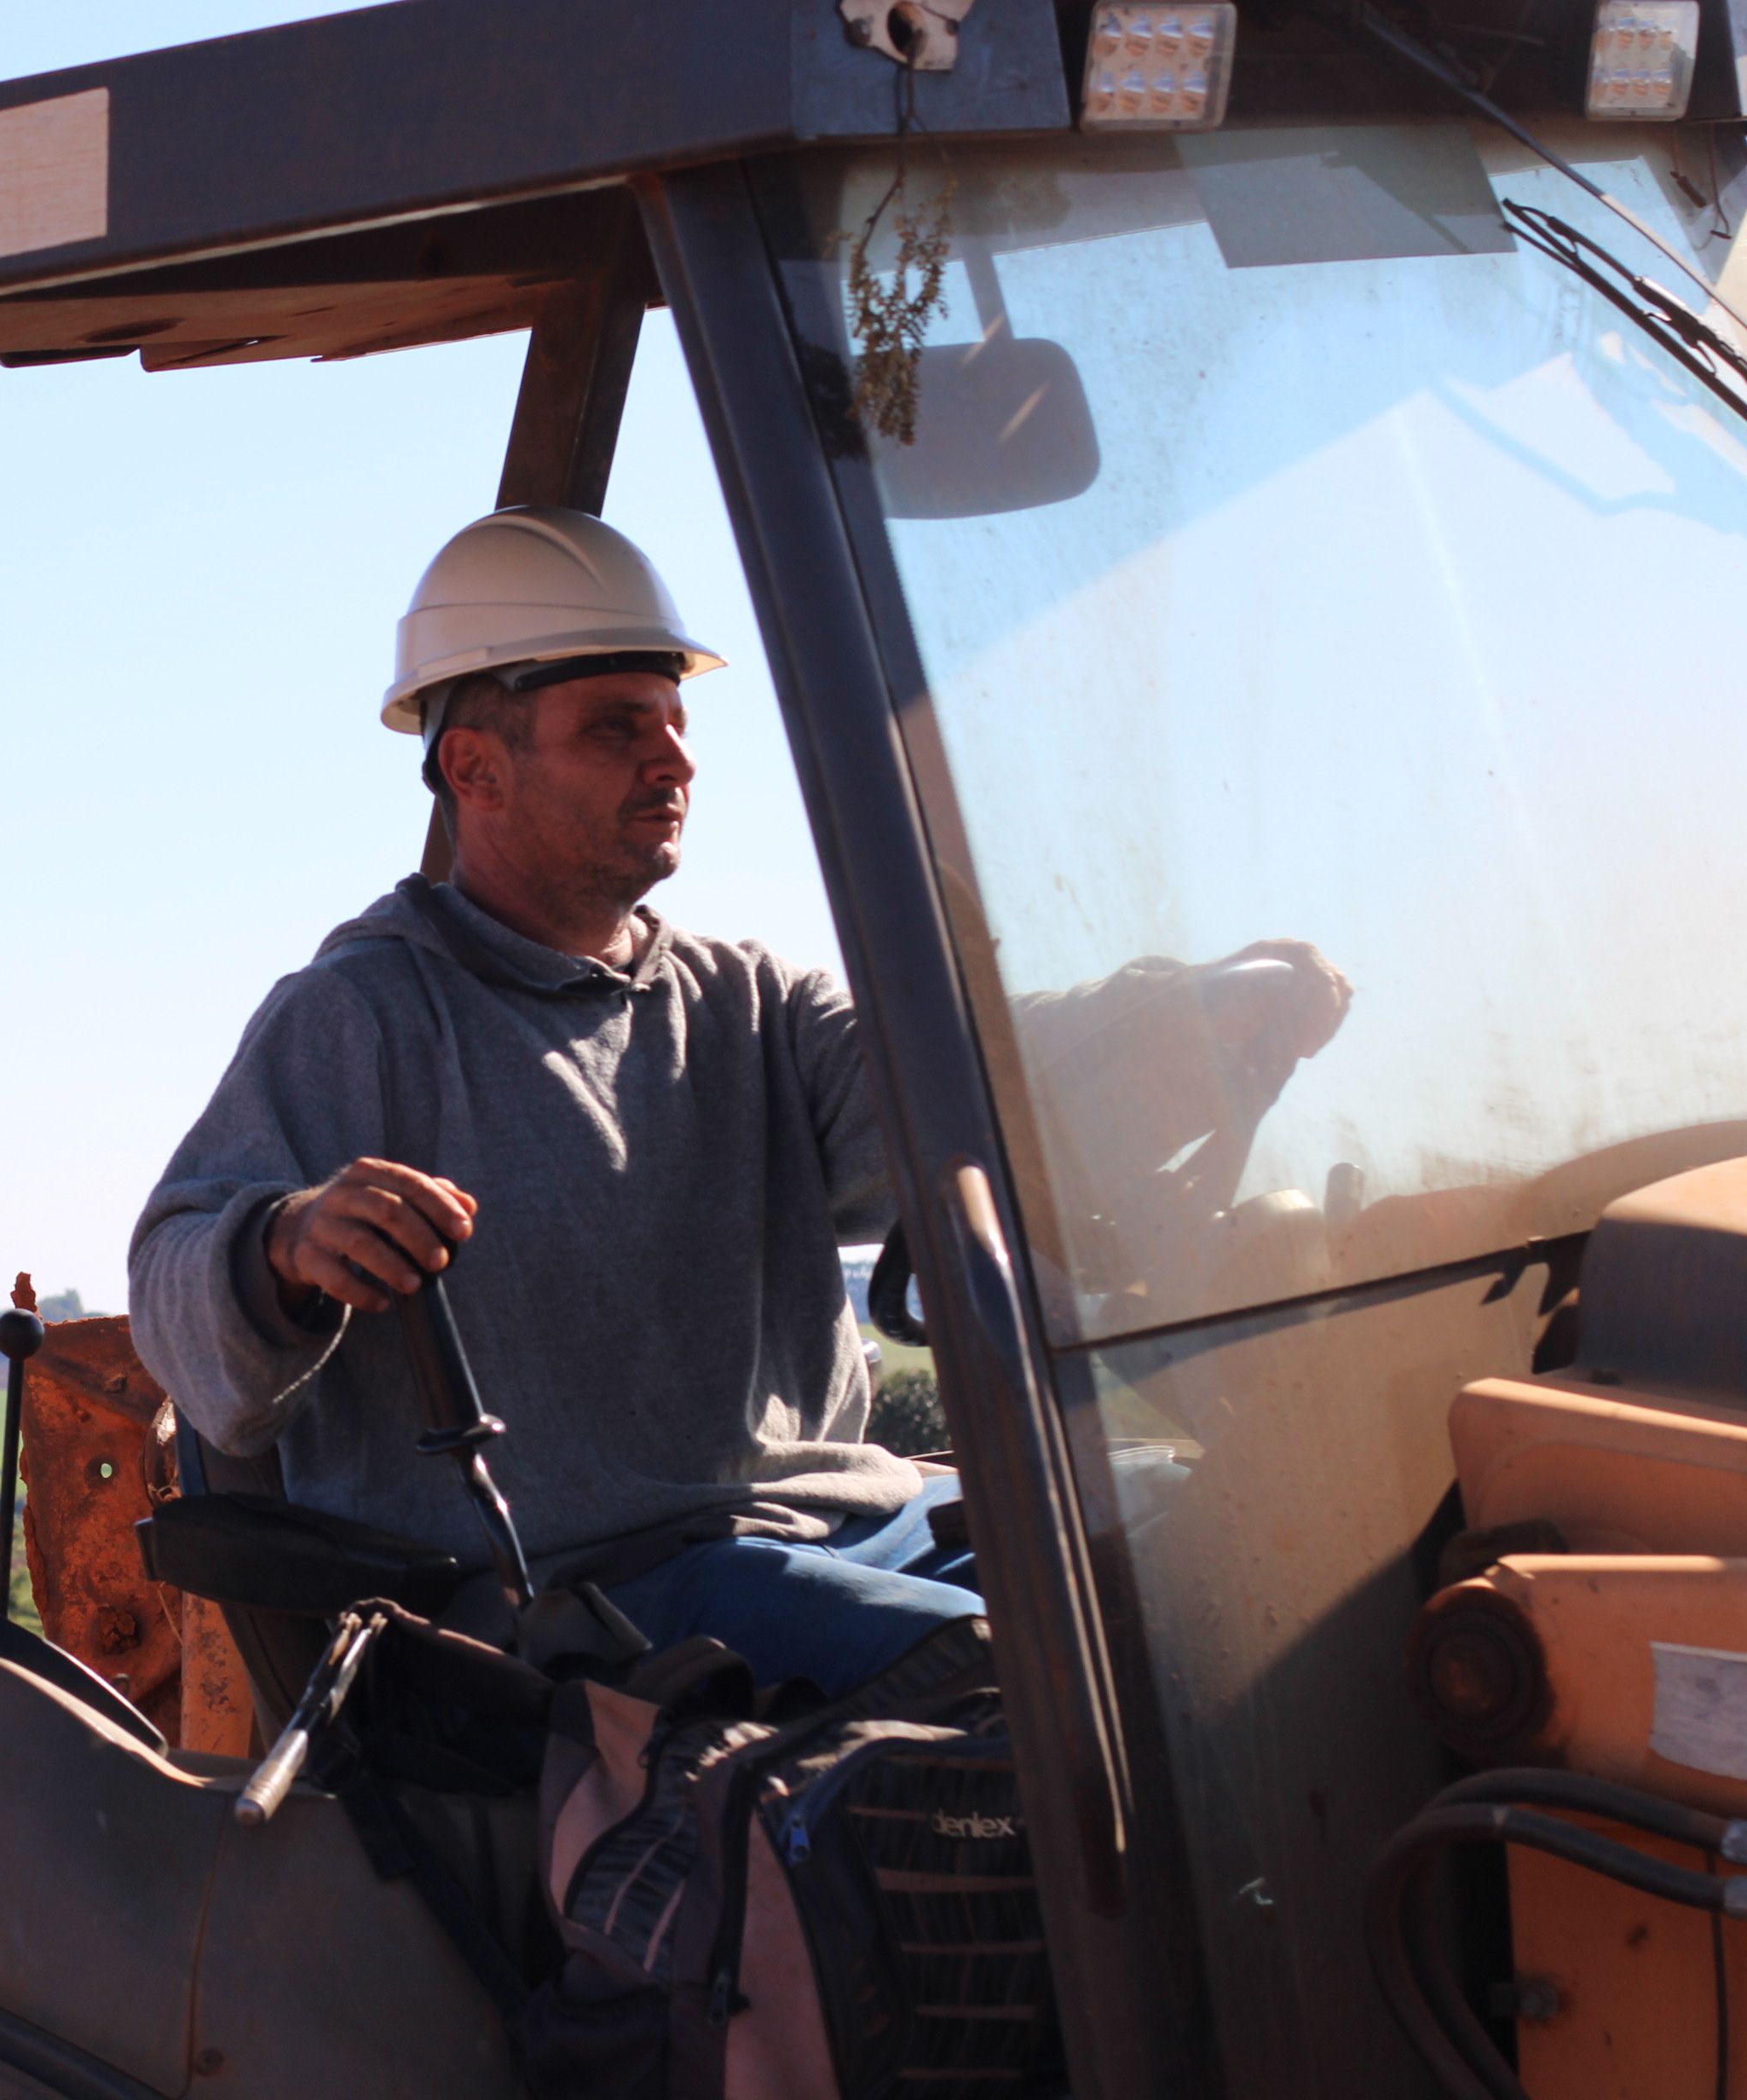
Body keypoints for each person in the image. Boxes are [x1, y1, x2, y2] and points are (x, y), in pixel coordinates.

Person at [126, 506, 1346, 1699]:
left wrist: (1180, 1018)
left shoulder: (746, 999)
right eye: (617, 728)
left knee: (1261, 1539)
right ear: (474, 767)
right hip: (585, 1587)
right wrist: (286, 1246)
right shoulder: (366, 1015)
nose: (675, 760)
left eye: (676, 722)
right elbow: (176, 1290)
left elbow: (953, 1086)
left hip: (843, 1521)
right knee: (1018, 1666)